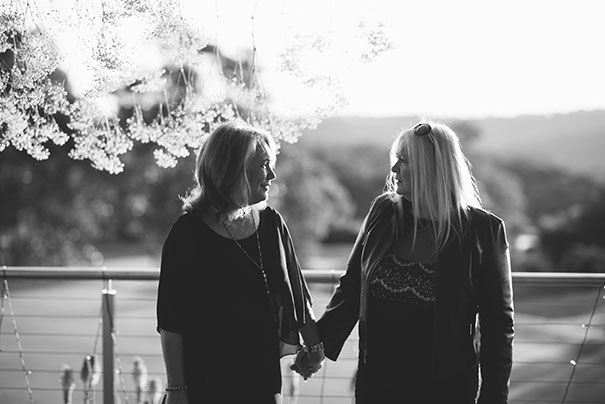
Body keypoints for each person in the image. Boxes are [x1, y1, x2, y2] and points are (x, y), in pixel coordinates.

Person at [306, 121, 514, 403]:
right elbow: (352, 287)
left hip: (446, 389)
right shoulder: (383, 212)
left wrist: (494, 398)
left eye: (403, 160)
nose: (394, 169)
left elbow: (498, 327)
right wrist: (316, 345)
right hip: (377, 384)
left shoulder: (483, 230)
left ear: (431, 167)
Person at [156, 121, 325, 404]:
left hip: (262, 381)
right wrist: (176, 389)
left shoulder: (272, 223)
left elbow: (297, 294)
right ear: (233, 169)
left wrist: (315, 347)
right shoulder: (187, 233)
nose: (272, 175)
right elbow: (171, 322)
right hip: (205, 385)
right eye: (264, 165)